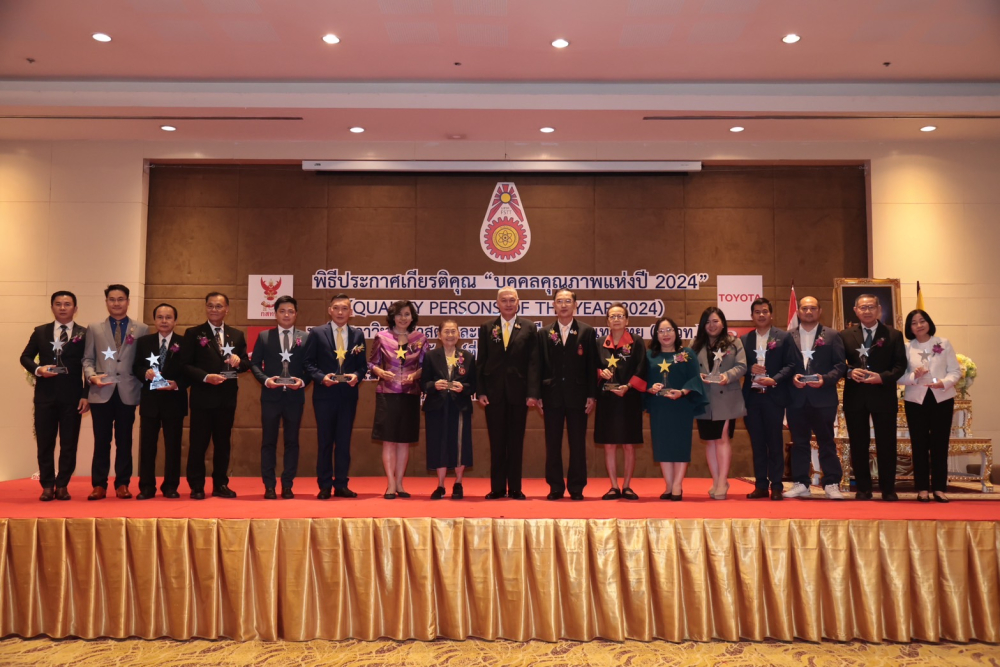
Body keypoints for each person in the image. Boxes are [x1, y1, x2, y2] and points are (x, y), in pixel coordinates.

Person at [19, 290, 90, 501]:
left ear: (75, 309)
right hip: (45, 397)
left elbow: (90, 366)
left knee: (69, 443)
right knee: (45, 443)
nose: (62, 307)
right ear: (52, 307)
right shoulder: (40, 332)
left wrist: (86, 394)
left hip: (72, 397)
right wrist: (39, 369)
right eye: (58, 304)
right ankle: (47, 485)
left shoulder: (85, 334)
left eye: (67, 304)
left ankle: (63, 485)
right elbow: (25, 357)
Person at [179, 292, 250, 499]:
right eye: (210, 306)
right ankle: (196, 485)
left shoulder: (236, 335)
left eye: (219, 306)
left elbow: (246, 363)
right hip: (202, 397)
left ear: (227, 309)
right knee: (198, 444)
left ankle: (220, 484)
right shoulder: (193, 333)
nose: (214, 310)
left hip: (226, 399)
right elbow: (185, 365)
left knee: (223, 444)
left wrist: (239, 362)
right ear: (205, 308)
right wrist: (205, 377)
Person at [82, 284, 149, 500]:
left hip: (128, 391)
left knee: (125, 441)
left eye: (121, 299)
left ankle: (122, 483)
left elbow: (143, 361)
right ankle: (99, 485)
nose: (116, 303)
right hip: (101, 391)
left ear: (128, 301)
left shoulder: (142, 329)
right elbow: (88, 359)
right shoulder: (94, 328)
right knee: (101, 441)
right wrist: (91, 376)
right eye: (112, 299)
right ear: (106, 302)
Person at [839, 294, 907, 501]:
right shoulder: (845, 335)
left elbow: (900, 365)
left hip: (883, 395)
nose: (867, 311)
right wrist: (849, 372)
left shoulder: (893, 335)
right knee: (858, 444)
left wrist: (882, 378)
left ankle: (888, 489)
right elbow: (837, 363)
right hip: (855, 396)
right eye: (863, 307)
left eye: (871, 307)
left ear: (879, 309)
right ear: (855, 310)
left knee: (886, 444)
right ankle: (863, 488)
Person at [477, 287, 540, 500]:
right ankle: (497, 488)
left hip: (519, 393)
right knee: (496, 442)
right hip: (493, 393)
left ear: (518, 302)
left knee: (515, 441)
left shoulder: (529, 327)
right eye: (504, 300)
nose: (508, 304)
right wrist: (481, 391)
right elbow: (481, 361)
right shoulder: (487, 327)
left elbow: (533, 363)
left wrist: (533, 393)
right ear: (497, 303)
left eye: (512, 300)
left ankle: (514, 488)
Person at [303, 293, 367, 499]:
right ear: (329, 310)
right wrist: (322, 378)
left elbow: (362, 366)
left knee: (344, 442)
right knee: (325, 441)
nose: (340, 312)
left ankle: (341, 484)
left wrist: (356, 376)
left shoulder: (357, 335)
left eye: (345, 308)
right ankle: (324, 485)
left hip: (348, 396)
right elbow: (308, 363)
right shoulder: (317, 333)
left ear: (351, 312)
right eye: (336, 308)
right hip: (324, 395)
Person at [784, 296, 848, 500]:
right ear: (798, 312)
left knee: (826, 441)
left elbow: (840, 366)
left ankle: (831, 483)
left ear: (820, 311)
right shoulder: (788, 336)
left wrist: (824, 380)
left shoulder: (832, 335)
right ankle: (801, 483)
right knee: (799, 442)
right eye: (804, 308)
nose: (808, 312)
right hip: (796, 398)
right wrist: (791, 378)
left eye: (813, 308)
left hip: (823, 398)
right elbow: (784, 366)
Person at [538, 289, 597, 501]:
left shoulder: (586, 332)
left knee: (578, 443)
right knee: (552, 443)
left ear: (575, 305)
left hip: (578, 395)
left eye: (568, 301)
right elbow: (538, 366)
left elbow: (591, 365)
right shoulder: (544, 333)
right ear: (553, 305)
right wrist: (538, 394)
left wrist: (592, 394)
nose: (563, 305)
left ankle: (576, 487)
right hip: (551, 395)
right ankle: (555, 486)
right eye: (559, 301)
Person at [250, 295, 311, 499]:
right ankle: (269, 485)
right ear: (275, 314)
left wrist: (302, 382)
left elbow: (311, 367)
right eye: (282, 311)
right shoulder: (264, 336)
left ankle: (287, 485)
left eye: (290, 311)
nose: (286, 315)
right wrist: (266, 380)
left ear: (296, 314)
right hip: (271, 397)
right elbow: (255, 364)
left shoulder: (306, 337)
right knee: (268, 441)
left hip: (295, 398)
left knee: (292, 442)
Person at [899, 309, 961, 503]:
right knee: (919, 444)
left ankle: (940, 488)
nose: (919, 325)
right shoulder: (906, 348)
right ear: (909, 328)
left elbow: (955, 371)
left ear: (929, 323)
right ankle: (923, 488)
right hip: (916, 400)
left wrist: (943, 382)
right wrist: (913, 376)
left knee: (940, 444)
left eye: (922, 321)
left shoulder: (943, 343)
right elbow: (899, 377)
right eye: (914, 322)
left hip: (941, 398)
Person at [644, 316, 708, 501]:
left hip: (681, 405)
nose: (665, 334)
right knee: (662, 445)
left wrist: (682, 391)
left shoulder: (687, 353)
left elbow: (695, 378)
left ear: (676, 332)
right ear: (656, 335)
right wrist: (650, 388)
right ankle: (669, 485)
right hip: (659, 407)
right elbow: (642, 378)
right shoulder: (650, 355)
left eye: (669, 330)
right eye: (661, 331)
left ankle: (678, 485)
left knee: (680, 445)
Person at [740, 298, 797, 501]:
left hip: (774, 397)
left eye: (765, 311)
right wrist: (749, 369)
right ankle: (761, 486)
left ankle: (777, 486)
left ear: (771, 315)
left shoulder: (783, 337)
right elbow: (738, 366)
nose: (761, 315)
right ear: (752, 316)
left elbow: (792, 364)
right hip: (752, 398)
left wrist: (775, 379)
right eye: (757, 312)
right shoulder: (744, 340)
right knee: (757, 444)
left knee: (774, 443)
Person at [369, 300, 426, 499]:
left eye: (407, 314)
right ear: (393, 317)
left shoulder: (420, 338)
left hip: (410, 394)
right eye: (399, 314)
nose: (403, 318)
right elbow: (372, 363)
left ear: (412, 317)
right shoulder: (382, 337)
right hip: (387, 393)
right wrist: (380, 372)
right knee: (389, 441)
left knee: (404, 441)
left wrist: (416, 375)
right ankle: (390, 484)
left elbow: (425, 365)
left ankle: (400, 483)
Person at [131, 303, 187, 500]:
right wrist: (144, 373)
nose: (164, 321)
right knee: (147, 446)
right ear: (154, 320)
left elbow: (190, 370)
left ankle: (171, 486)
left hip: (175, 401)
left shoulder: (184, 342)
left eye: (168, 317)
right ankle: (146, 487)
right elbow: (136, 366)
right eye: (160, 317)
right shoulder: (144, 342)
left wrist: (177, 384)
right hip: (150, 402)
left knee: (173, 447)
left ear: (175, 321)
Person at [692, 307, 746, 500]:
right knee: (710, 440)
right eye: (707, 322)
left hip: (726, 397)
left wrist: (727, 376)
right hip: (704, 398)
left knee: (722, 438)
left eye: (715, 321)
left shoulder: (734, 342)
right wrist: (697, 376)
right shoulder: (695, 344)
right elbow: (689, 367)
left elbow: (742, 366)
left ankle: (723, 481)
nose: (711, 325)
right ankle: (716, 481)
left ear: (723, 323)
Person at [593, 303, 647, 500]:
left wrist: (628, 386)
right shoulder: (599, 343)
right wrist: (600, 373)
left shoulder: (636, 342)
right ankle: (614, 486)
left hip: (629, 399)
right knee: (609, 444)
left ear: (627, 320)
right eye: (612, 316)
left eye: (620, 316)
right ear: (607, 321)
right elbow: (590, 367)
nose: (616, 319)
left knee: (628, 444)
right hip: (606, 400)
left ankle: (627, 486)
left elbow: (642, 368)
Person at [422, 319, 476, 500]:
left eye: (453, 331)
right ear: (439, 335)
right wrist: (434, 385)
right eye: (446, 331)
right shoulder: (431, 356)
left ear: (459, 334)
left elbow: (473, 385)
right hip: (436, 407)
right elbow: (424, 384)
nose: (450, 335)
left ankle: (458, 483)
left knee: (460, 444)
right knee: (439, 444)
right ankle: (440, 485)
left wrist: (464, 388)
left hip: (459, 406)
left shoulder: (467, 357)